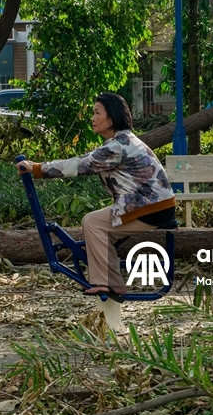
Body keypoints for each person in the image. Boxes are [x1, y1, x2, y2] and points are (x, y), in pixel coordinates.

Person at [16, 92, 175, 300]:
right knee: (98, 224)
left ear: (112, 118)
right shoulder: (123, 141)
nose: (92, 118)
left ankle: (108, 284)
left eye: (97, 113)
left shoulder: (117, 146)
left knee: (93, 223)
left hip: (150, 207)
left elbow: (81, 164)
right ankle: (110, 282)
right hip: (155, 205)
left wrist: (36, 168)